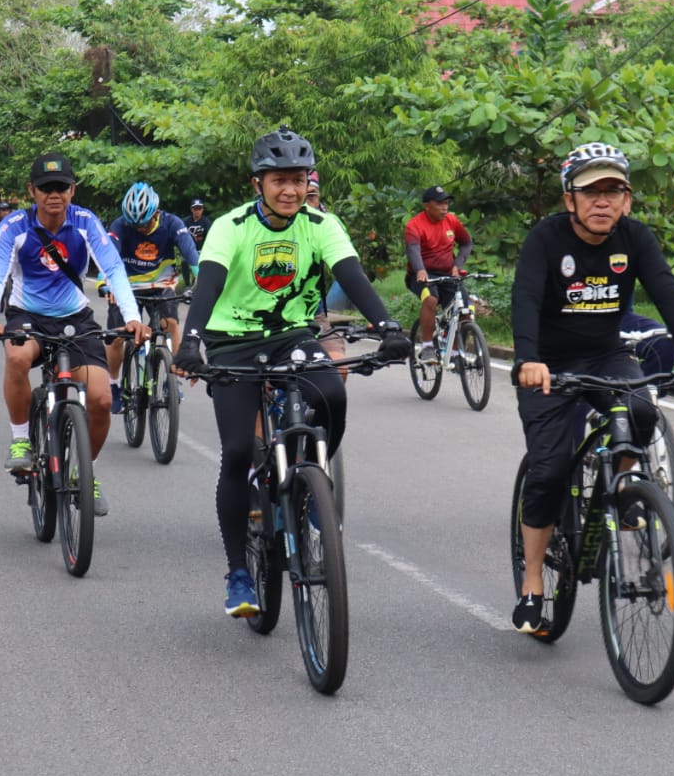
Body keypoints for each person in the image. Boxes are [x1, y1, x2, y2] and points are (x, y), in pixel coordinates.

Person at [172, 125, 410, 618]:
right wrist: (192, 340)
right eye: (279, 179)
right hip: (231, 342)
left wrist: (387, 325)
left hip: (292, 337)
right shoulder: (230, 227)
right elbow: (210, 284)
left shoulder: (320, 225)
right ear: (256, 183)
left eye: (299, 179)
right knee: (238, 451)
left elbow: (351, 275)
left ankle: (307, 482)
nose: (291, 190)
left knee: (332, 395)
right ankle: (239, 572)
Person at [509, 142, 674, 634]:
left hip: (605, 354)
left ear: (627, 200)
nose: (602, 202)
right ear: (570, 199)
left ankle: (621, 489)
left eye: (614, 191)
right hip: (549, 362)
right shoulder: (546, 239)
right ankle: (534, 582)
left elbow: (667, 292)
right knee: (549, 469)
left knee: (643, 415)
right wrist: (528, 359)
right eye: (591, 192)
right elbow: (525, 297)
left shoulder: (635, 238)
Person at [0, 152, 149, 517]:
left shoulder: (86, 222)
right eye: (45, 188)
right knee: (18, 357)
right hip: (29, 317)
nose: (54, 195)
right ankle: (22, 441)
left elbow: (113, 268)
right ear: (32, 191)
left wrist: (132, 318)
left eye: (61, 188)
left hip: (76, 318)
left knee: (101, 400)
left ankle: (88, 471)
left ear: (72, 189)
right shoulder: (14, 226)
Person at [104, 181, 200, 414]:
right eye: (134, 225)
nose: (140, 229)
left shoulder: (173, 224)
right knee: (117, 337)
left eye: (145, 224)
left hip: (161, 284)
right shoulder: (119, 225)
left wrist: (203, 281)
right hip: (127, 287)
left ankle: (172, 378)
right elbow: (108, 258)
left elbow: (192, 256)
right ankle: (114, 385)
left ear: (156, 212)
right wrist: (108, 287)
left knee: (171, 325)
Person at [404, 185, 473, 363]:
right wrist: (420, 269)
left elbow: (466, 243)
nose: (445, 207)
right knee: (430, 298)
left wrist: (457, 265)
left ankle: (456, 354)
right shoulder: (414, 225)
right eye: (440, 203)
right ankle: (427, 345)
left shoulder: (452, 221)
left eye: (447, 203)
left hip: (447, 273)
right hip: (421, 274)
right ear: (427, 205)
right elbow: (413, 250)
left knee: (465, 310)